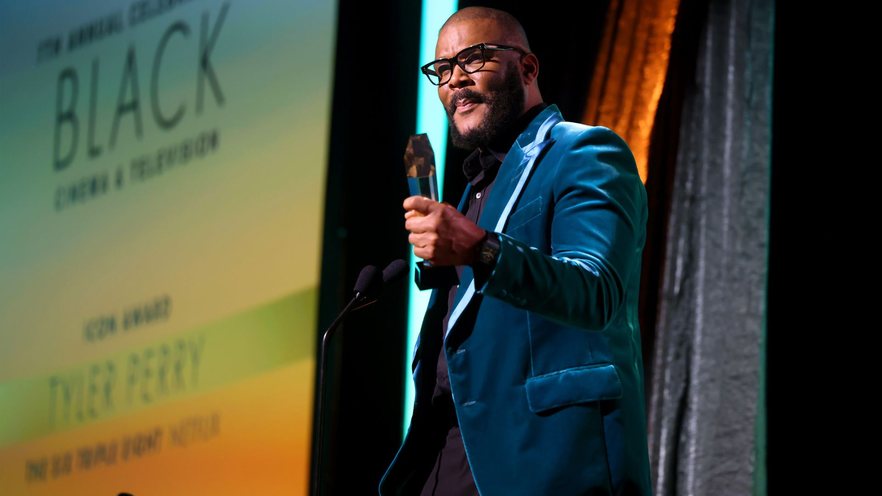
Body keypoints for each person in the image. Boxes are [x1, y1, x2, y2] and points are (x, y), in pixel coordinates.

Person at [380, 7, 652, 495]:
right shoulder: (472, 191)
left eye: (473, 59)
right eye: (442, 70)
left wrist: (480, 248)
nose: (454, 81)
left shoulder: (584, 152)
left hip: (545, 462)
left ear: (527, 69)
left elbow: (596, 291)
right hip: (449, 463)